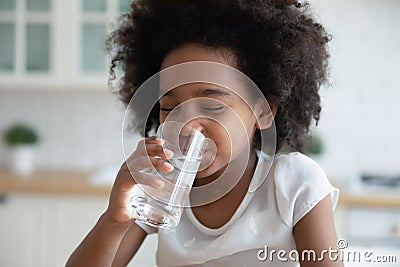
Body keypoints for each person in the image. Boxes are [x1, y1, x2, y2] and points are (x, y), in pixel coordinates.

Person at [67, 0, 343, 266]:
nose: (185, 125)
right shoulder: (161, 187)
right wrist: (115, 219)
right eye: (169, 107)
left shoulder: (293, 184)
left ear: (262, 111)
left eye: (212, 106)